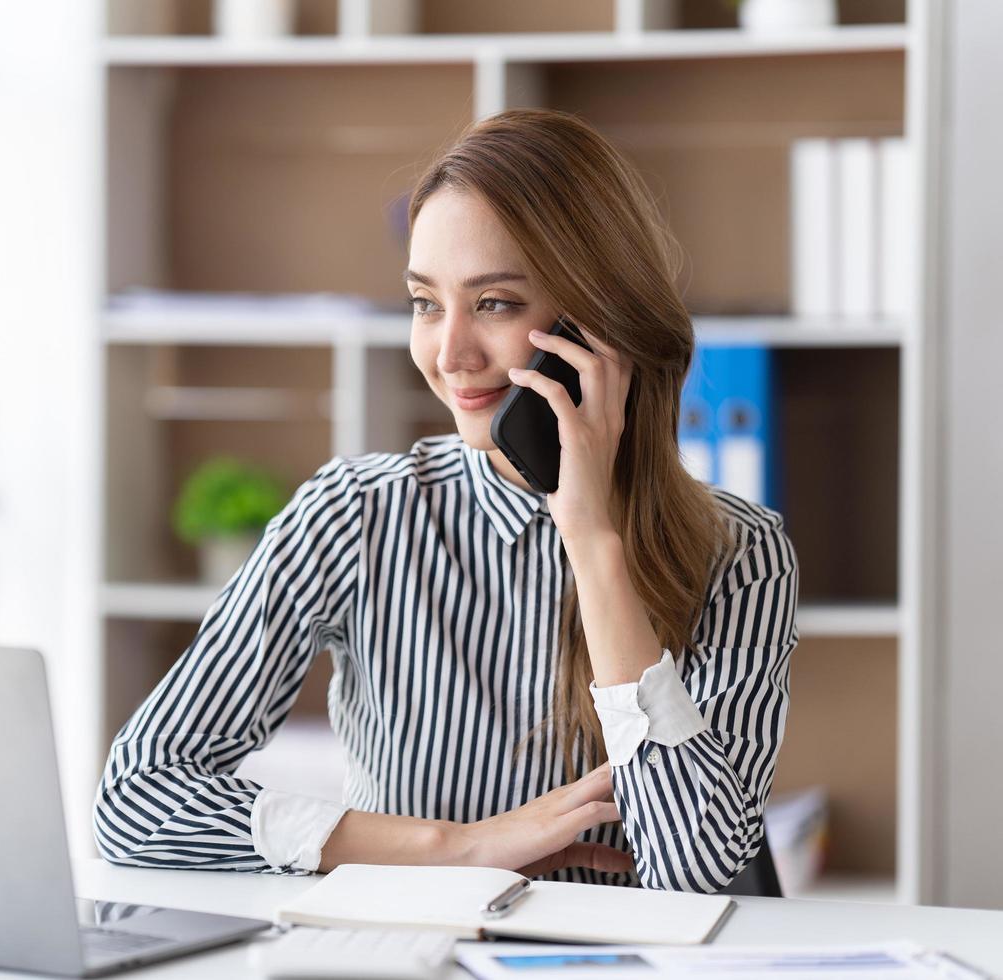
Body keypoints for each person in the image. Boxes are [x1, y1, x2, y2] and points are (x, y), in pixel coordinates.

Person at [91, 108, 798, 893]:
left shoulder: (740, 552)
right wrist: (452, 846)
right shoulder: (354, 514)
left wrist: (593, 545)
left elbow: (694, 871)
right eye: (425, 303)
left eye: (493, 303)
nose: (450, 353)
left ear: (597, 325)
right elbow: (134, 801)